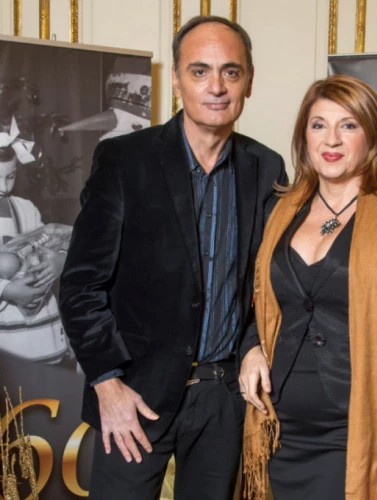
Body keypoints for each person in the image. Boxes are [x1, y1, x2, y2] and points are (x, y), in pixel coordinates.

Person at [59, 15, 286, 500]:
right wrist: (106, 382)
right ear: (178, 81)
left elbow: (262, 280)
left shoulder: (266, 167)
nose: (216, 86)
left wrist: (252, 344)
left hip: (222, 400)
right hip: (135, 396)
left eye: (230, 71)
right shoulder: (124, 160)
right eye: (200, 71)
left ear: (248, 81)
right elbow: (80, 286)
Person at [238, 75, 377, 500]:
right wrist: (250, 348)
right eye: (319, 125)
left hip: (354, 431)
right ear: (304, 136)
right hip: (278, 427)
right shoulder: (277, 211)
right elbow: (256, 303)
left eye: (348, 125)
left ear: (372, 136)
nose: (331, 139)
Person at [0, 127, 69, 364]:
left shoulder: (25, 208)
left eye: (10, 177)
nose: (3, 187)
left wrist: (60, 260)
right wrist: (7, 291)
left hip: (43, 335)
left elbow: (50, 244)